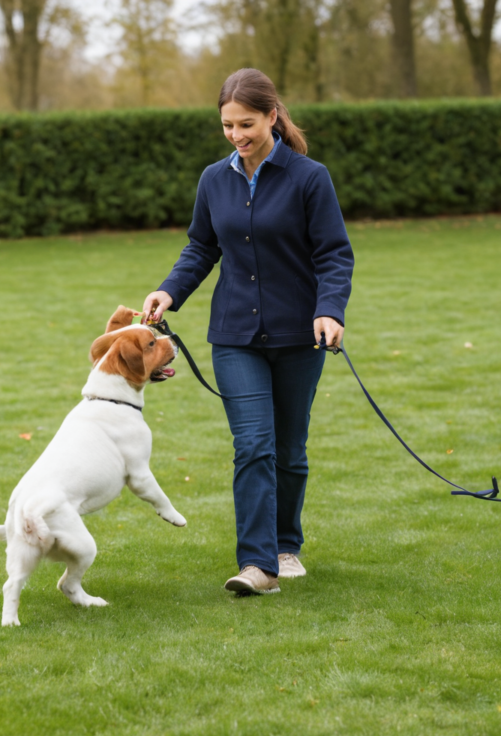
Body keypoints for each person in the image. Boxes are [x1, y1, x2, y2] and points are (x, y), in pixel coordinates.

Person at [142, 68, 354, 596]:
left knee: (289, 447)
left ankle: (286, 543)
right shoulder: (215, 179)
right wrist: (170, 291)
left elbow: (333, 253)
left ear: (272, 116)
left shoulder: (309, 177)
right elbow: (201, 247)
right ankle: (258, 566)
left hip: (299, 336)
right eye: (227, 125)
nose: (237, 135)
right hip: (234, 336)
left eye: (246, 124)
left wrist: (330, 309)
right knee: (254, 443)